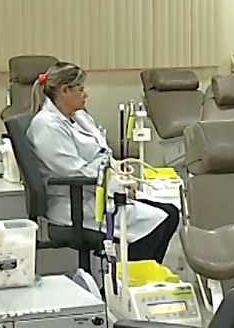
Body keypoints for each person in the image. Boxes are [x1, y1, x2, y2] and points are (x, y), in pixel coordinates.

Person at [26, 62, 179, 264]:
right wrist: (117, 186)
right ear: (64, 91)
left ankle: (143, 275)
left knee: (171, 213)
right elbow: (74, 172)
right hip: (76, 203)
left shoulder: (79, 117)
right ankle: (128, 278)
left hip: (99, 191)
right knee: (154, 224)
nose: (86, 94)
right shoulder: (46, 126)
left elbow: (102, 152)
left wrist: (121, 175)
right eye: (80, 89)